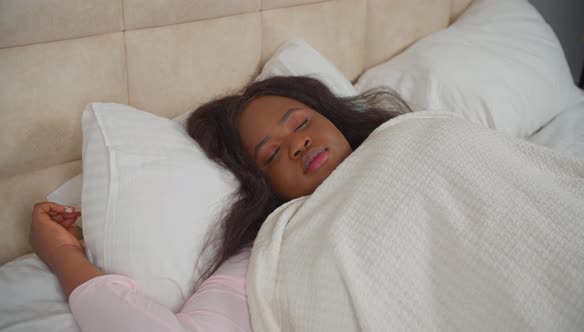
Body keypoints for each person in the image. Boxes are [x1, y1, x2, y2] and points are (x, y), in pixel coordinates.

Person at [29, 76, 412, 331]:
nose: (298, 144)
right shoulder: (272, 251)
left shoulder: (410, 139)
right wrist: (65, 256)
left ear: (332, 118)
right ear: (262, 184)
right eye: (272, 153)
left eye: (301, 124)